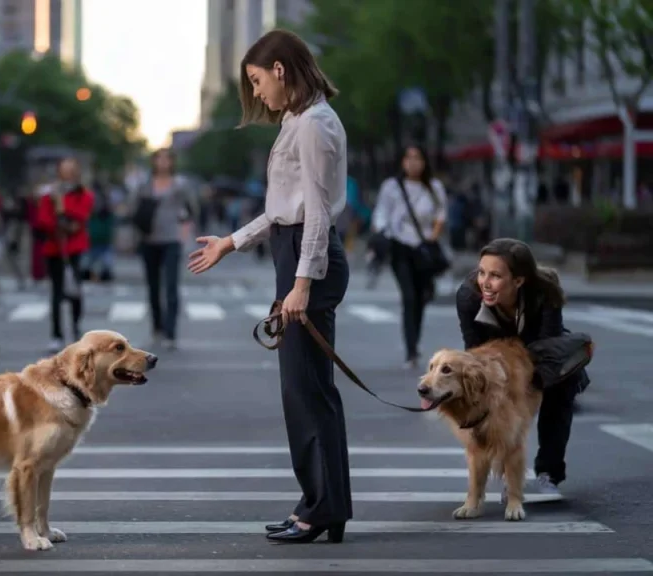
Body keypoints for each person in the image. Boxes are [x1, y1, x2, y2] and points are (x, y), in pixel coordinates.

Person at [187, 28, 352, 544]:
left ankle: (321, 508)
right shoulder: (298, 119)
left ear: (280, 69)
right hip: (294, 252)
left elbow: (318, 215)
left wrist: (302, 283)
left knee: (307, 392)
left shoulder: (314, 125)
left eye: (258, 81)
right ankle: (322, 504)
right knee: (305, 392)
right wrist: (231, 242)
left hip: (308, 259)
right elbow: (282, 209)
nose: (257, 92)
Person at [455, 238, 586, 500]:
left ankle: (548, 472)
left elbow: (545, 346)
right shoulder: (469, 296)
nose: (485, 283)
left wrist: (519, 380)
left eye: (495, 276)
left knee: (560, 393)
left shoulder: (545, 291)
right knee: (497, 402)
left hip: (539, 353)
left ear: (519, 280)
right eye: (482, 273)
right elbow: (474, 350)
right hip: (493, 355)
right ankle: (509, 474)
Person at [369, 144, 448, 369]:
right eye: (409, 158)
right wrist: (381, 233)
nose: (413, 162)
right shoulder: (392, 186)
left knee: (421, 297)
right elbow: (382, 212)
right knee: (409, 297)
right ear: (403, 161)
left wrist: (432, 238)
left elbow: (440, 215)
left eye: (418, 158)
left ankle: (415, 342)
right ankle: (411, 350)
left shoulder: (434, 187)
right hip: (399, 247)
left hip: (423, 249)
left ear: (424, 162)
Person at [130, 148, 200, 349]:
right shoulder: (144, 185)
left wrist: (185, 230)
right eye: (158, 159)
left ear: (172, 162)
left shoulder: (180, 185)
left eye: (166, 159)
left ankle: (170, 332)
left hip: (171, 239)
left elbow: (192, 209)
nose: (162, 163)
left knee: (171, 286)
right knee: (153, 286)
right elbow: (134, 208)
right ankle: (157, 328)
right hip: (149, 239)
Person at [35, 157, 94, 352]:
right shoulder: (49, 194)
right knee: (56, 292)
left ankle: (76, 328)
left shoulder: (82, 194)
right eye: (64, 169)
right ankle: (56, 334)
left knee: (75, 290)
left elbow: (81, 217)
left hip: (74, 248)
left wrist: (61, 208)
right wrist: (61, 221)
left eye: (71, 169)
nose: (68, 173)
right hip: (54, 247)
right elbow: (44, 220)